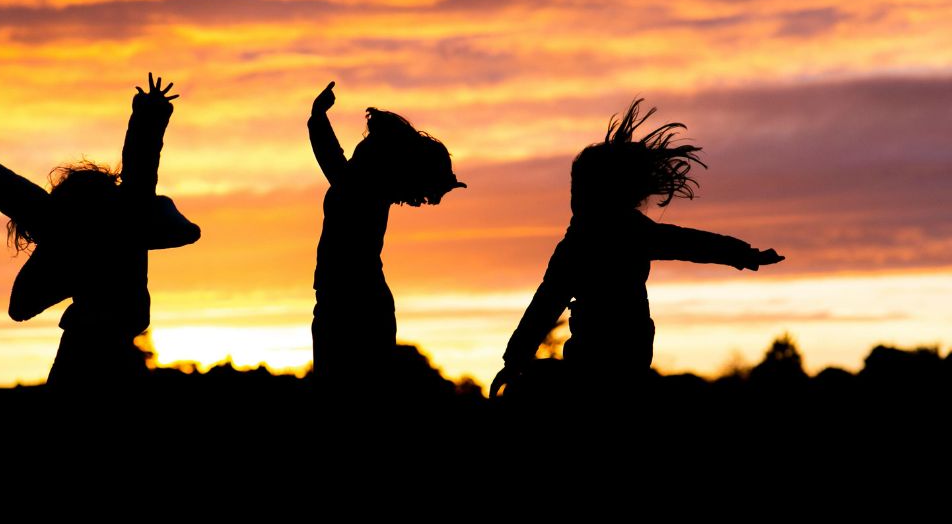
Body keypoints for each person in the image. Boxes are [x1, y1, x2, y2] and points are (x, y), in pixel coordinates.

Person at [490, 99, 783, 398]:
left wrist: (743, 255)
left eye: (579, 190)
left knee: (550, 387)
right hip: (615, 350)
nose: (574, 198)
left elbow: (691, 243)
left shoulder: (604, 237)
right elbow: (545, 304)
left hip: (616, 351)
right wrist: (514, 359)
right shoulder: (591, 240)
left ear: (601, 192)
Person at [0, 73, 200, 389]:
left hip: (86, 344)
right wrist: (150, 109)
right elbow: (140, 166)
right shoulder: (122, 216)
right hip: (102, 344)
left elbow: (29, 203)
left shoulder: (78, 225)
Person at [307, 81, 466, 400]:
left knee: (349, 389)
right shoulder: (361, 183)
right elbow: (333, 159)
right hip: (351, 295)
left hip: (352, 297)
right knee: (358, 389)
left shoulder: (360, 185)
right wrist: (317, 118)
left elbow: (332, 159)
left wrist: (317, 118)